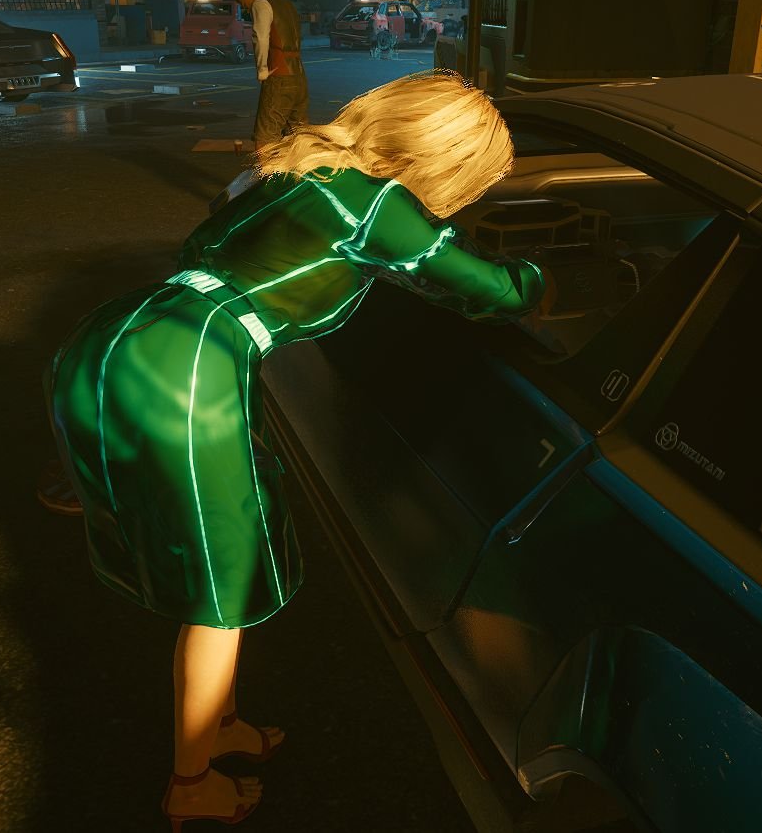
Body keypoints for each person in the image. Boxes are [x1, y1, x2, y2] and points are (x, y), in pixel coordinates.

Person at [41, 70, 552, 829]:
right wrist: (542, 275)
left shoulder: (299, 164)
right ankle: (191, 783)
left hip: (125, 329)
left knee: (215, 560)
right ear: (449, 159)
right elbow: (493, 291)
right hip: (189, 366)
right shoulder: (379, 204)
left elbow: (213, 240)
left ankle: (220, 725)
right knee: (223, 591)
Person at [234, 0, 309, 151]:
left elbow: (260, 38)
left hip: (279, 75)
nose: (245, 8)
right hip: (299, 77)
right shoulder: (288, 4)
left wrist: (262, 70)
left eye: (243, 2)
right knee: (298, 137)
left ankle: (269, 170)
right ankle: (297, 169)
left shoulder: (261, 3)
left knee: (265, 139)